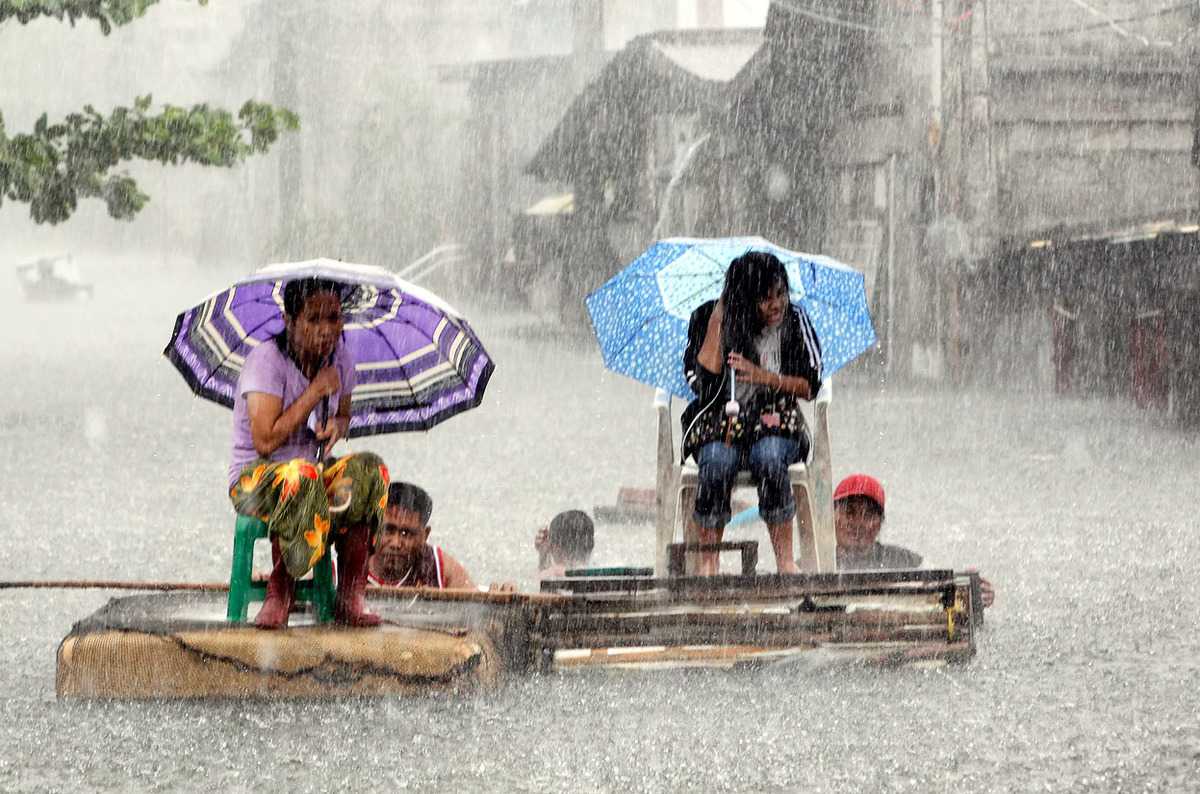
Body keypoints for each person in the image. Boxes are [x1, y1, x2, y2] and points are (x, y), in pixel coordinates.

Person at [228, 277, 389, 629]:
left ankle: (350, 594)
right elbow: (265, 441)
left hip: (309, 477)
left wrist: (336, 426)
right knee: (301, 474)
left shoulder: (339, 358)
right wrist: (315, 391)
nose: (326, 330)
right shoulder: (266, 360)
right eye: (313, 319)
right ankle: (280, 589)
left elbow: (343, 415)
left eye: (333, 318)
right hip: (255, 481)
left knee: (369, 469)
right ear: (290, 321)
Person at [681, 251, 822, 575]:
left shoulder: (795, 322)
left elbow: (810, 387)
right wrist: (719, 319)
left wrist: (764, 377)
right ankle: (709, 560)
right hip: (722, 426)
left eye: (780, 294)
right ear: (745, 300)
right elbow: (702, 384)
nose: (776, 305)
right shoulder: (708, 319)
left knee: (769, 458)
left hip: (776, 424)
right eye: (765, 299)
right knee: (716, 462)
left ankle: (785, 561)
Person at [833, 473, 995, 608]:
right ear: (831, 516)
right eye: (850, 512)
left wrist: (972, 593)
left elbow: (944, 587)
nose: (858, 523)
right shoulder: (819, 561)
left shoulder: (904, 561)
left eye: (867, 515)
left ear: (880, 523)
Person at [367, 482, 474, 589]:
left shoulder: (440, 569)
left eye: (406, 534)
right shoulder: (357, 559)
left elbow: (474, 596)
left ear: (425, 535)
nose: (396, 544)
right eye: (387, 530)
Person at [534, 510, 595, 579]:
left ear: (555, 547)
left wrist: (543, 556)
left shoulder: (553, 573)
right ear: (591, 545)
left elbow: (541, 580)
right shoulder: (593, 572)